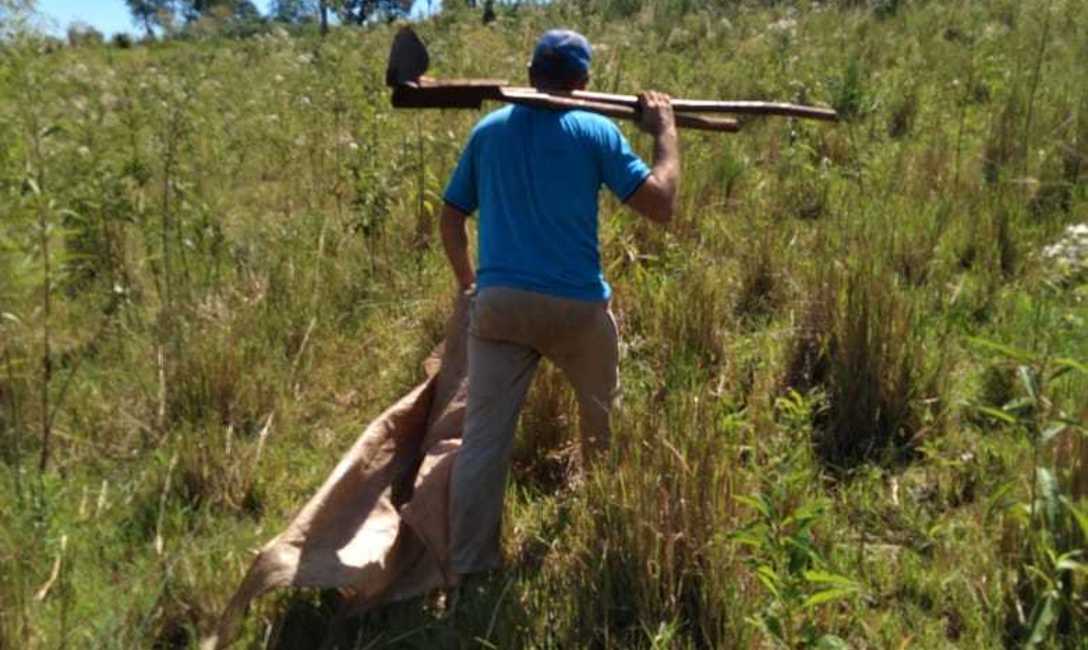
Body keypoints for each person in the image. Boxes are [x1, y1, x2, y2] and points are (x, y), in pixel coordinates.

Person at [439, 28, 680, 580]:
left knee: (482, 440)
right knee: (602, 421)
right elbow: (662, 205)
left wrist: (468, 283)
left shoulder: (488, 131)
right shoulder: (595, 130)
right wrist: (665, 131)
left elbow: (451, 216)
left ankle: (470, 566)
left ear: (529, 75)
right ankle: (606, 529)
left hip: (500, 308)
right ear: (585, 84)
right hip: (576, 310)